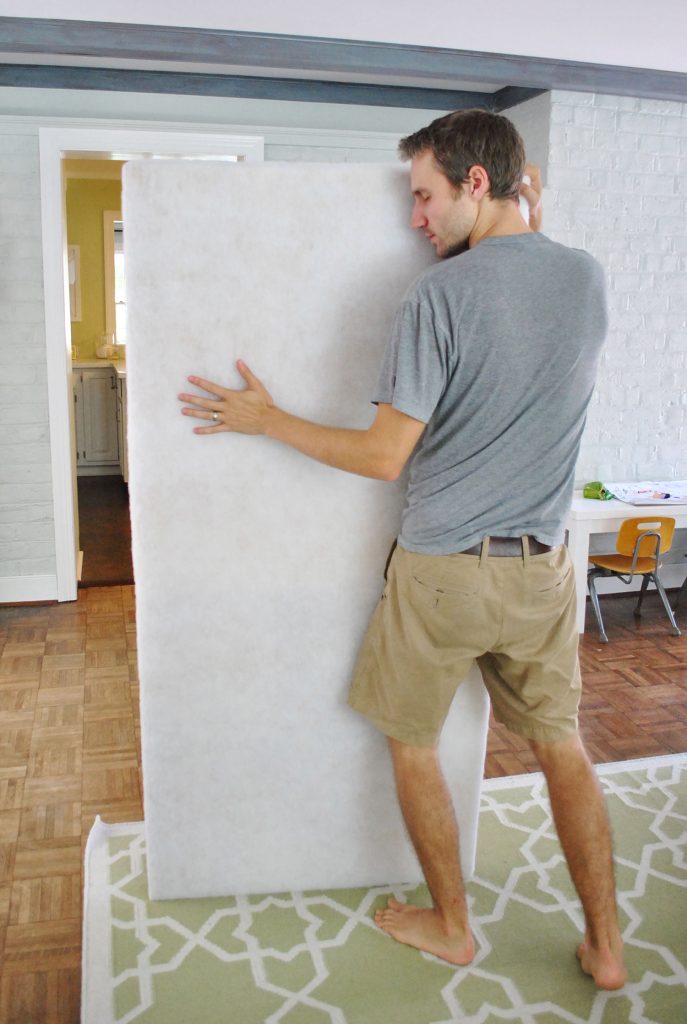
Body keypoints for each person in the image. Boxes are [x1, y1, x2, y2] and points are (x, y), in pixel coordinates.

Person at [178, 109, 627, 991]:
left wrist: (267, 420)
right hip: (543, 572)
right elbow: (527, 217)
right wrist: (519, 197)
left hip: (443, 574)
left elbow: (385, 456)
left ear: (473, 183)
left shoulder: (438, 297)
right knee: (561, 747)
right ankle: (606, 948)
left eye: (423, 196)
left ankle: (454, 928)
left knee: (412, 743)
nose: (414, 220)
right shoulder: (585, 278)